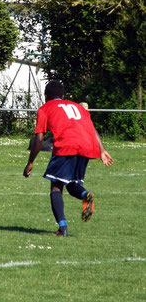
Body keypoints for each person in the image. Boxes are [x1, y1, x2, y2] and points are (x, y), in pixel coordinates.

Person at [23, 80, 113, 236]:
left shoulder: (45, 108)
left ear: (45, 96)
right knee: (71, 184)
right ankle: (85, 195)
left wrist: (30, 162)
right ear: (63, 96)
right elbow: (92, 129)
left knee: (56, 187)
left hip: (67, 145)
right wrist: (102, 150)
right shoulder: (78, 107)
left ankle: (63, 228)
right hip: (86, 146)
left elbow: (39, 139)